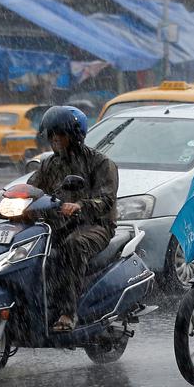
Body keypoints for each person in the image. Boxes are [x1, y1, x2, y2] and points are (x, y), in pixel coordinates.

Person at [28, 106, 119, 332]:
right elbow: (31, 188)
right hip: (58, 224)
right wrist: (2, 199)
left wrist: (80, 205)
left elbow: (106, 200)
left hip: (95, 225)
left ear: (75, 135)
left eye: (60, 133)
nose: (55, 138)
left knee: (73, 246)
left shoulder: (100, 163)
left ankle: (68, 312)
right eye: (51, 134)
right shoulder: (50, 163)